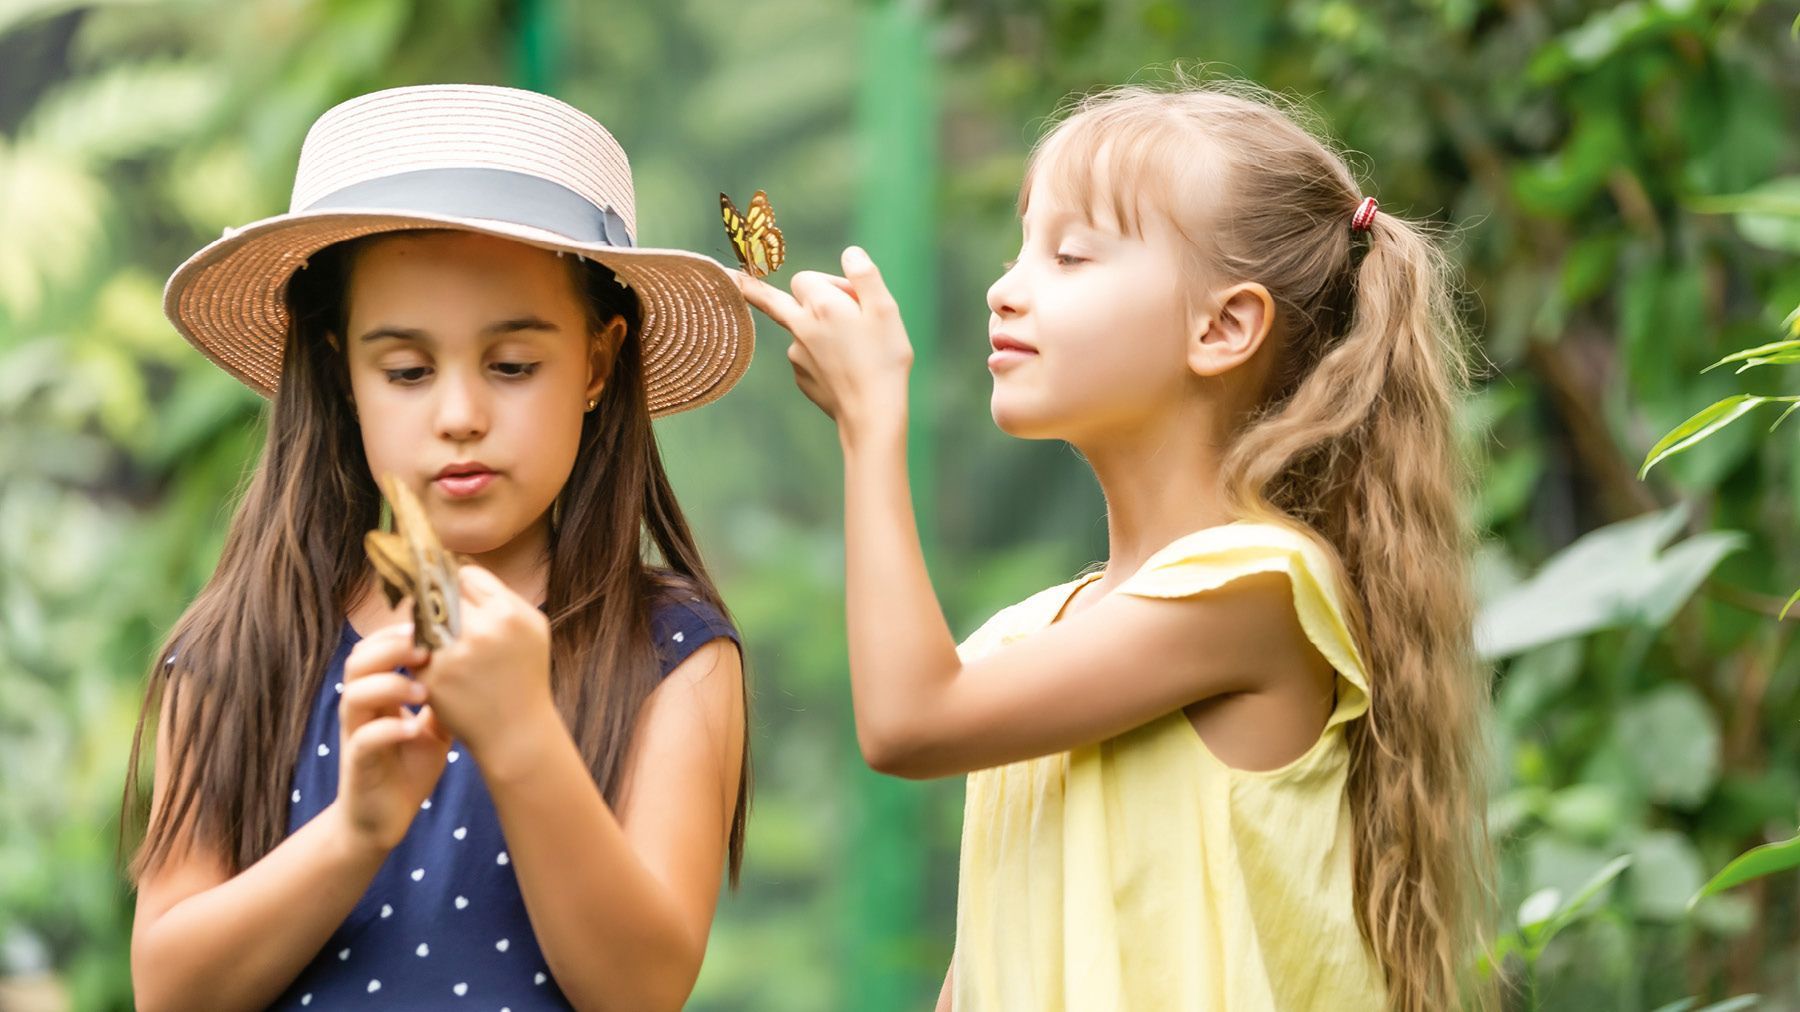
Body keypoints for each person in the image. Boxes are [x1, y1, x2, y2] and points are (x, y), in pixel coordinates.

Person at [738, 79, 1494, 1011]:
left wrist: (870, 425)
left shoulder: (1258, 589)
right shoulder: (1029, 639)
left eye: (1069, 256)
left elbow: (908, 722)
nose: (1005, 288)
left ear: (1222, 328)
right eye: (1021, 248)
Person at [124, 84, 752, 1011]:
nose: (460, 416)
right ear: (341, 373)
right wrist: (357, 828)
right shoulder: (242, 646)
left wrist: (523, 737)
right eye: (408, 371)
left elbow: (644, 988)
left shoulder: (672, 654)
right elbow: (169, 991)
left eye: (512, 365)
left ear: (599, 362)